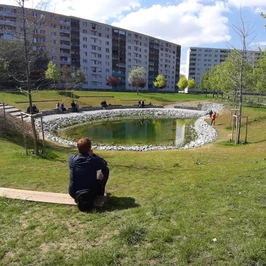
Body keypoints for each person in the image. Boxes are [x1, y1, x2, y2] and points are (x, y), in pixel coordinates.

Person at [68, 137, 109, 204]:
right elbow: (104, 164)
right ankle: (100, 193)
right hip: (90, 193)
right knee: (105, 169)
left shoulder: (71, 159)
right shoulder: (92, 160)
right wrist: (93, 155)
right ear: (89, 148)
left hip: (73, 193)